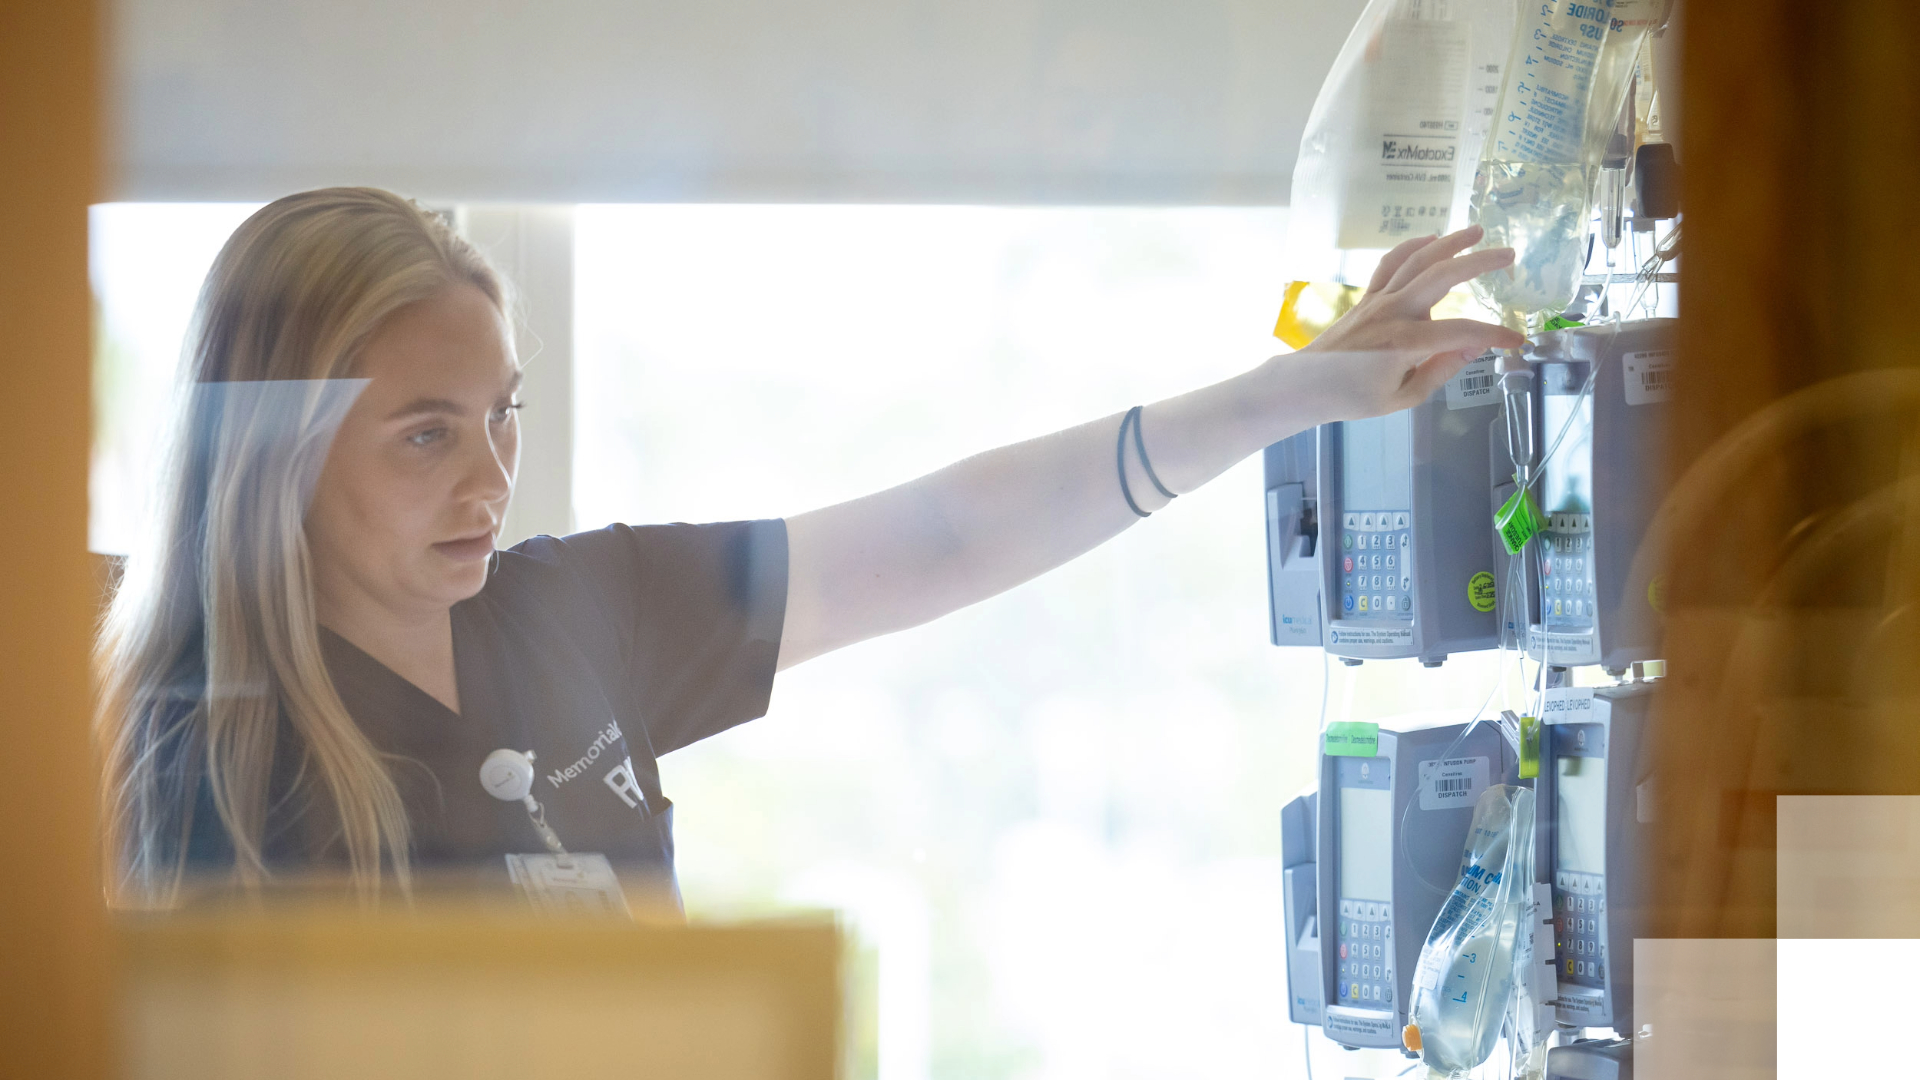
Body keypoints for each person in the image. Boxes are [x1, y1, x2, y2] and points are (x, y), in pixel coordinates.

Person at [95, 188, 1520, 906]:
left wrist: (1289, 394)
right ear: (275, 452)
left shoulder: (577, 610)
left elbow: (943, 536)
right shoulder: (211, 766)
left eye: (502, 418)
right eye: (425, 435)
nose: (490, 478)